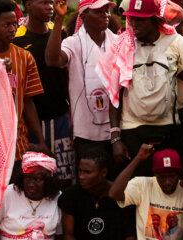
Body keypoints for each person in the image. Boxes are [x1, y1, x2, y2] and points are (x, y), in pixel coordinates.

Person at [98, 0, 183, 177]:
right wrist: (115, 138)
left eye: (141, 20)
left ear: (155, 20)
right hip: (132, 130)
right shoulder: (123, 45)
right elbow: (114, 94)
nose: (134, 24)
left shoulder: (174, 42)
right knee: (138, 190)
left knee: (169, 188)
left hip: (168, 129)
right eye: (133, 19)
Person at [46, 0, 116, 174]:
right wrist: (59, 18)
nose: (105, 15)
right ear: (84, 15)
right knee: (90, 183)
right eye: (98, 11)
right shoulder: (74, 42)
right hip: (86, 132)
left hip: (116, 131)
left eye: (106, 11)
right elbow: (52, 60)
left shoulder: (117, 41)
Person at [0, 0, 48, 165]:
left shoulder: (25, 57)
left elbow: (29, 101)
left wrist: (40, 140)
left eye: (15, 24)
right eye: (6, 25)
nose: (12, 29)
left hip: (18, 144)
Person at [14, 0, 72, 183]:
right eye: (44, 2)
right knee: (36, 178)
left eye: (51, 2)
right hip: (31, 121)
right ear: (29, 4)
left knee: (64, 179)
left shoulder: (61, 34)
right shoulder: (17, 41)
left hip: (61, 117)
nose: (50, 7)